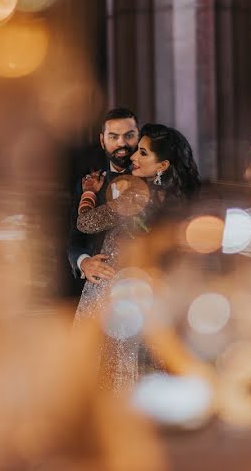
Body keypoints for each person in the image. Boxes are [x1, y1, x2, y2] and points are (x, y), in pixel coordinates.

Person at [73, 123, 200, 392]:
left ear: (163, 165)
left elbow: (86, 223)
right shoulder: (181, 203)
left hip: (114, 293)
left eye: (143, 153)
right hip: (157, 297)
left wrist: (88, 192)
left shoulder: (135, 196)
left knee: (108, 374)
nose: (133, 156)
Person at [67, 108, 139, 284]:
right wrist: (84, 262)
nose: (121, 143)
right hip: (100, 286)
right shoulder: (88, 180)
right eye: (113, 137)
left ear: (139, 136)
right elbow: (76, 237)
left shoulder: (150, 184)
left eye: (129, 135)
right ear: (102, 140)